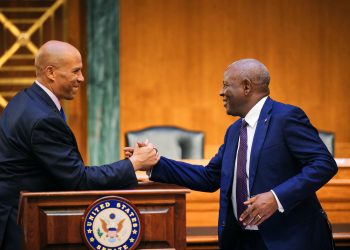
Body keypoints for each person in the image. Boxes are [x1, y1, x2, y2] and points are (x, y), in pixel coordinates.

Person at [125, 59, 338, 250]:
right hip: (242, 240)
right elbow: (209, 177)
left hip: (289, 240)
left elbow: (323, 163)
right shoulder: (235, 130)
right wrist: (154, 163)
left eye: (226, 85)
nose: (220, 92)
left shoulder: (286, 117)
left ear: (246, 87)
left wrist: (276, 197)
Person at [0, 40, 158, 250]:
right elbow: (78, 180)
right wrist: (134, 164)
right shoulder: (43, 119)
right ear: (51, 73)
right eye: (76, 71)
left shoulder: (24, 100)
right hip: (19, 226)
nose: (81, 78)